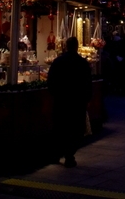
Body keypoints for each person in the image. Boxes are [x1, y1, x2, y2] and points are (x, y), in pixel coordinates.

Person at [47, 36, 92, 168]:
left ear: (66, 46)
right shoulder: (82, 63)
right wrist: (87, 98)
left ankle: (56, 154)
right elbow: (87, 83)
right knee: (75, 129)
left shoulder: (58, 61)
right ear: (77, 46)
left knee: (60, 127)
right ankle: (69, 155)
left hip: (61, 100)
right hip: (77, 101)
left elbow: (51, 80)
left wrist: (54, 94)